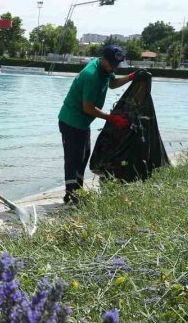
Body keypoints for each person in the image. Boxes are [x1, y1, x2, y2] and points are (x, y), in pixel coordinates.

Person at [57, 44, 141, 204]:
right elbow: (87, 107)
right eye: (112, 65)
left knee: (83, 156)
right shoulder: (91, 75)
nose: (114, 69)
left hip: (82, 123)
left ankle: (77, 192)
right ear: (104, 59)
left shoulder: (104, 69)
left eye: (117, 66)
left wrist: (131, 77)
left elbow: (112, 83)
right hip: (71, 121)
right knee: (73, 159)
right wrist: (111, 118)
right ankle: (71, 196)